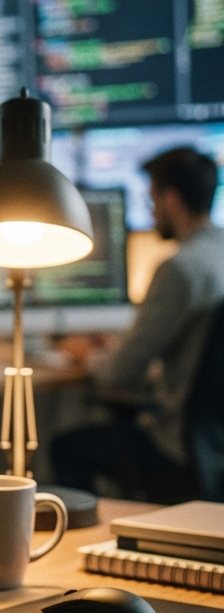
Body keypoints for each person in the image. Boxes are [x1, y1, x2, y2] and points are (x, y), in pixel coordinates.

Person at [52, 147, 224, 502]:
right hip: (214, 445)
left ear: (171, 199)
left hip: (178, 448)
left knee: (64, 448)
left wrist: (87, 356)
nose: (151, 213)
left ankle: (90, 538)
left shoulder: (180, 269)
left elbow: (120, 374)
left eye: (152, 201)